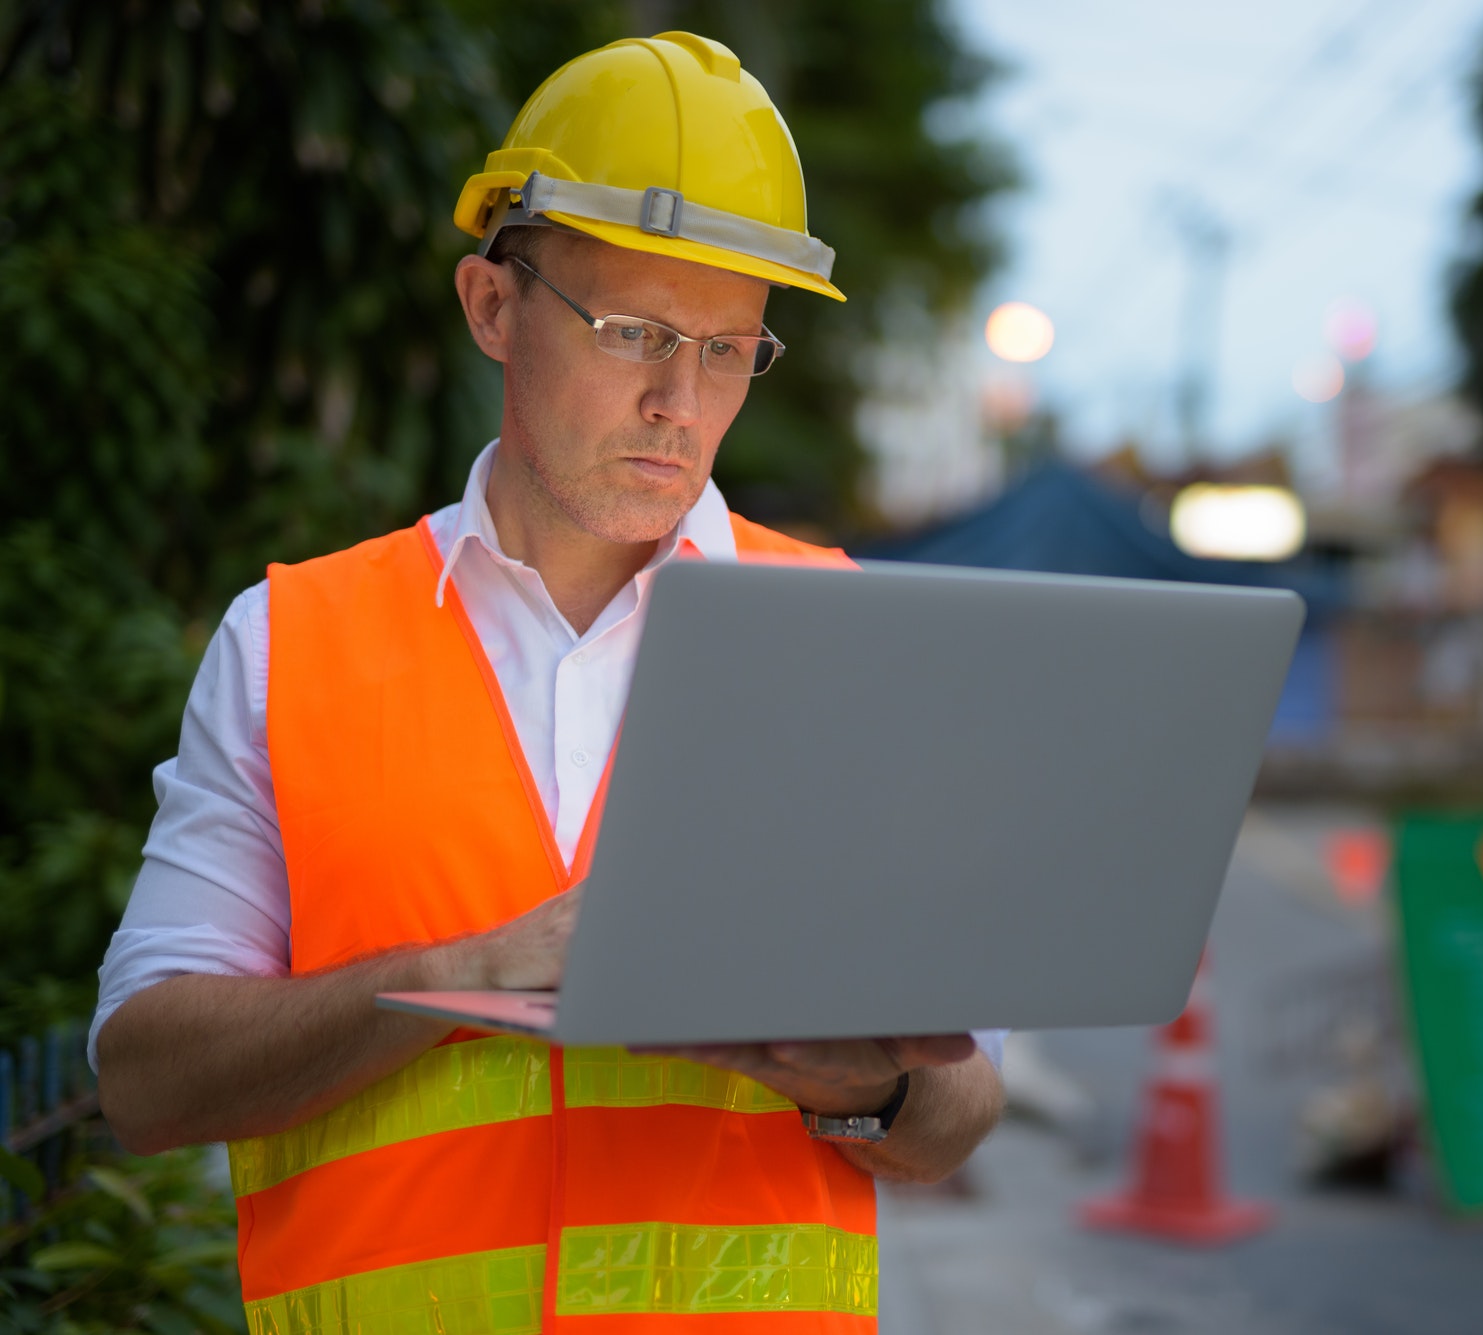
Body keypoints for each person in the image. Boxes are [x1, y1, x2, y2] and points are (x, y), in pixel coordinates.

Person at [90, 31, 1005, 1334]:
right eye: (635, 332)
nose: (678, 402)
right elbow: (143, 1079)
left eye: (731, 350)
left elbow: (959, 1120)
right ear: (491, 307)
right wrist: (475, 972)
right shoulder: (292, 640)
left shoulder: (850, 645)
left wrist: (864, 1083)